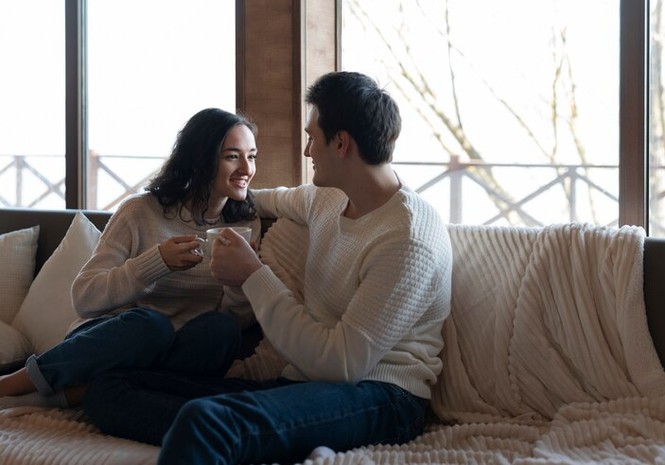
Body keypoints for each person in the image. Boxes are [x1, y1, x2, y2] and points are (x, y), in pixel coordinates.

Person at [82, 71, 453, 464]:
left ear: (341, 143)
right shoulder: (327, 199)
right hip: (302, 385)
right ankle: (254, 435)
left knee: (206, 421)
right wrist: (192, 196)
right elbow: (259, 198)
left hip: (380, 395)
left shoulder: (408, 238)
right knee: (109, 390)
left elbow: (342, 365)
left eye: (312, 138)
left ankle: (230, 431)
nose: (307, 151)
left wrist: (252, 275)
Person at [0, 108, 261, 409]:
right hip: (117, 336)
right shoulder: (140, 211)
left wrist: (238, 282)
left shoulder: (246, 224)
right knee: (152, 327)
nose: (246, 168)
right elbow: (84, 297)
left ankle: (75, 394)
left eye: (252, 156)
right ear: (199, 159)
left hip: (177, 355)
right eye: (232, 156)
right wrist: (156, 263)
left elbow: (236, 319)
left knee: (221, 330)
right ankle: (10, 385)